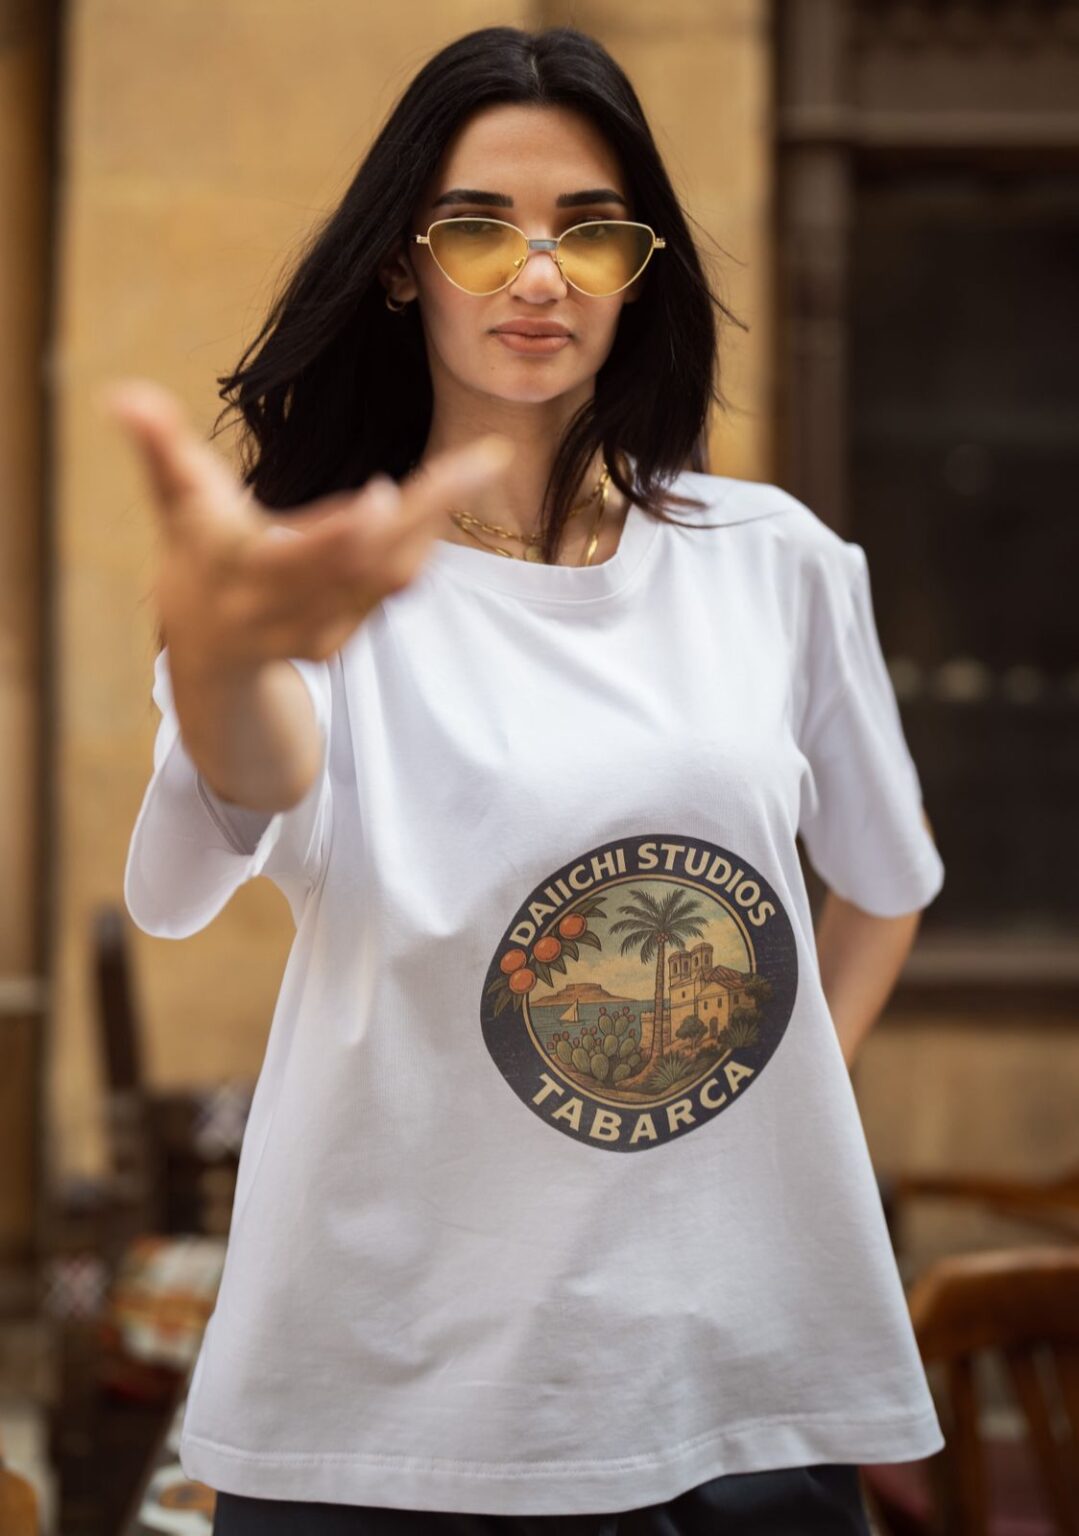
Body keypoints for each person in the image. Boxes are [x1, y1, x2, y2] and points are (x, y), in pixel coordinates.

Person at [106, 23, 945, 1535]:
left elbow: (884, 886)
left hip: (739, 1393)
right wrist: (226, 660)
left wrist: (746, 1084)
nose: (539, 275)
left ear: (642, 271)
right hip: (392, 1417)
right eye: (480, 229)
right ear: (400, 266)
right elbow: (199, 856)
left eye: (590, 231)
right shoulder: (326, 583)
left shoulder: (778, 567)